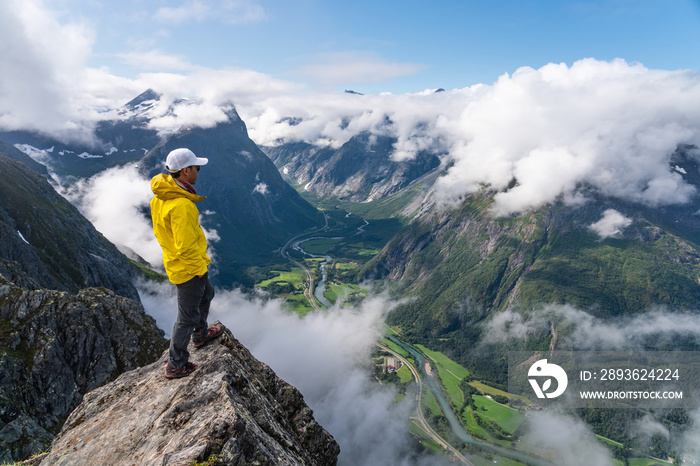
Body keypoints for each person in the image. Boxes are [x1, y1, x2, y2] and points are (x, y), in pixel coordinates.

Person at [150, 148, 222, 379]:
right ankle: (176, 364)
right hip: (188, 268)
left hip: (181, 263)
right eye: (196, 168)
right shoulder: (181, 205)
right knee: (186, 317)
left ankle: (200, 334)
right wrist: (198, 270)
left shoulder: (161, 198)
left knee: (207, 294)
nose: (199, 173)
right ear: (185, 170)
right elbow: (185, 246)